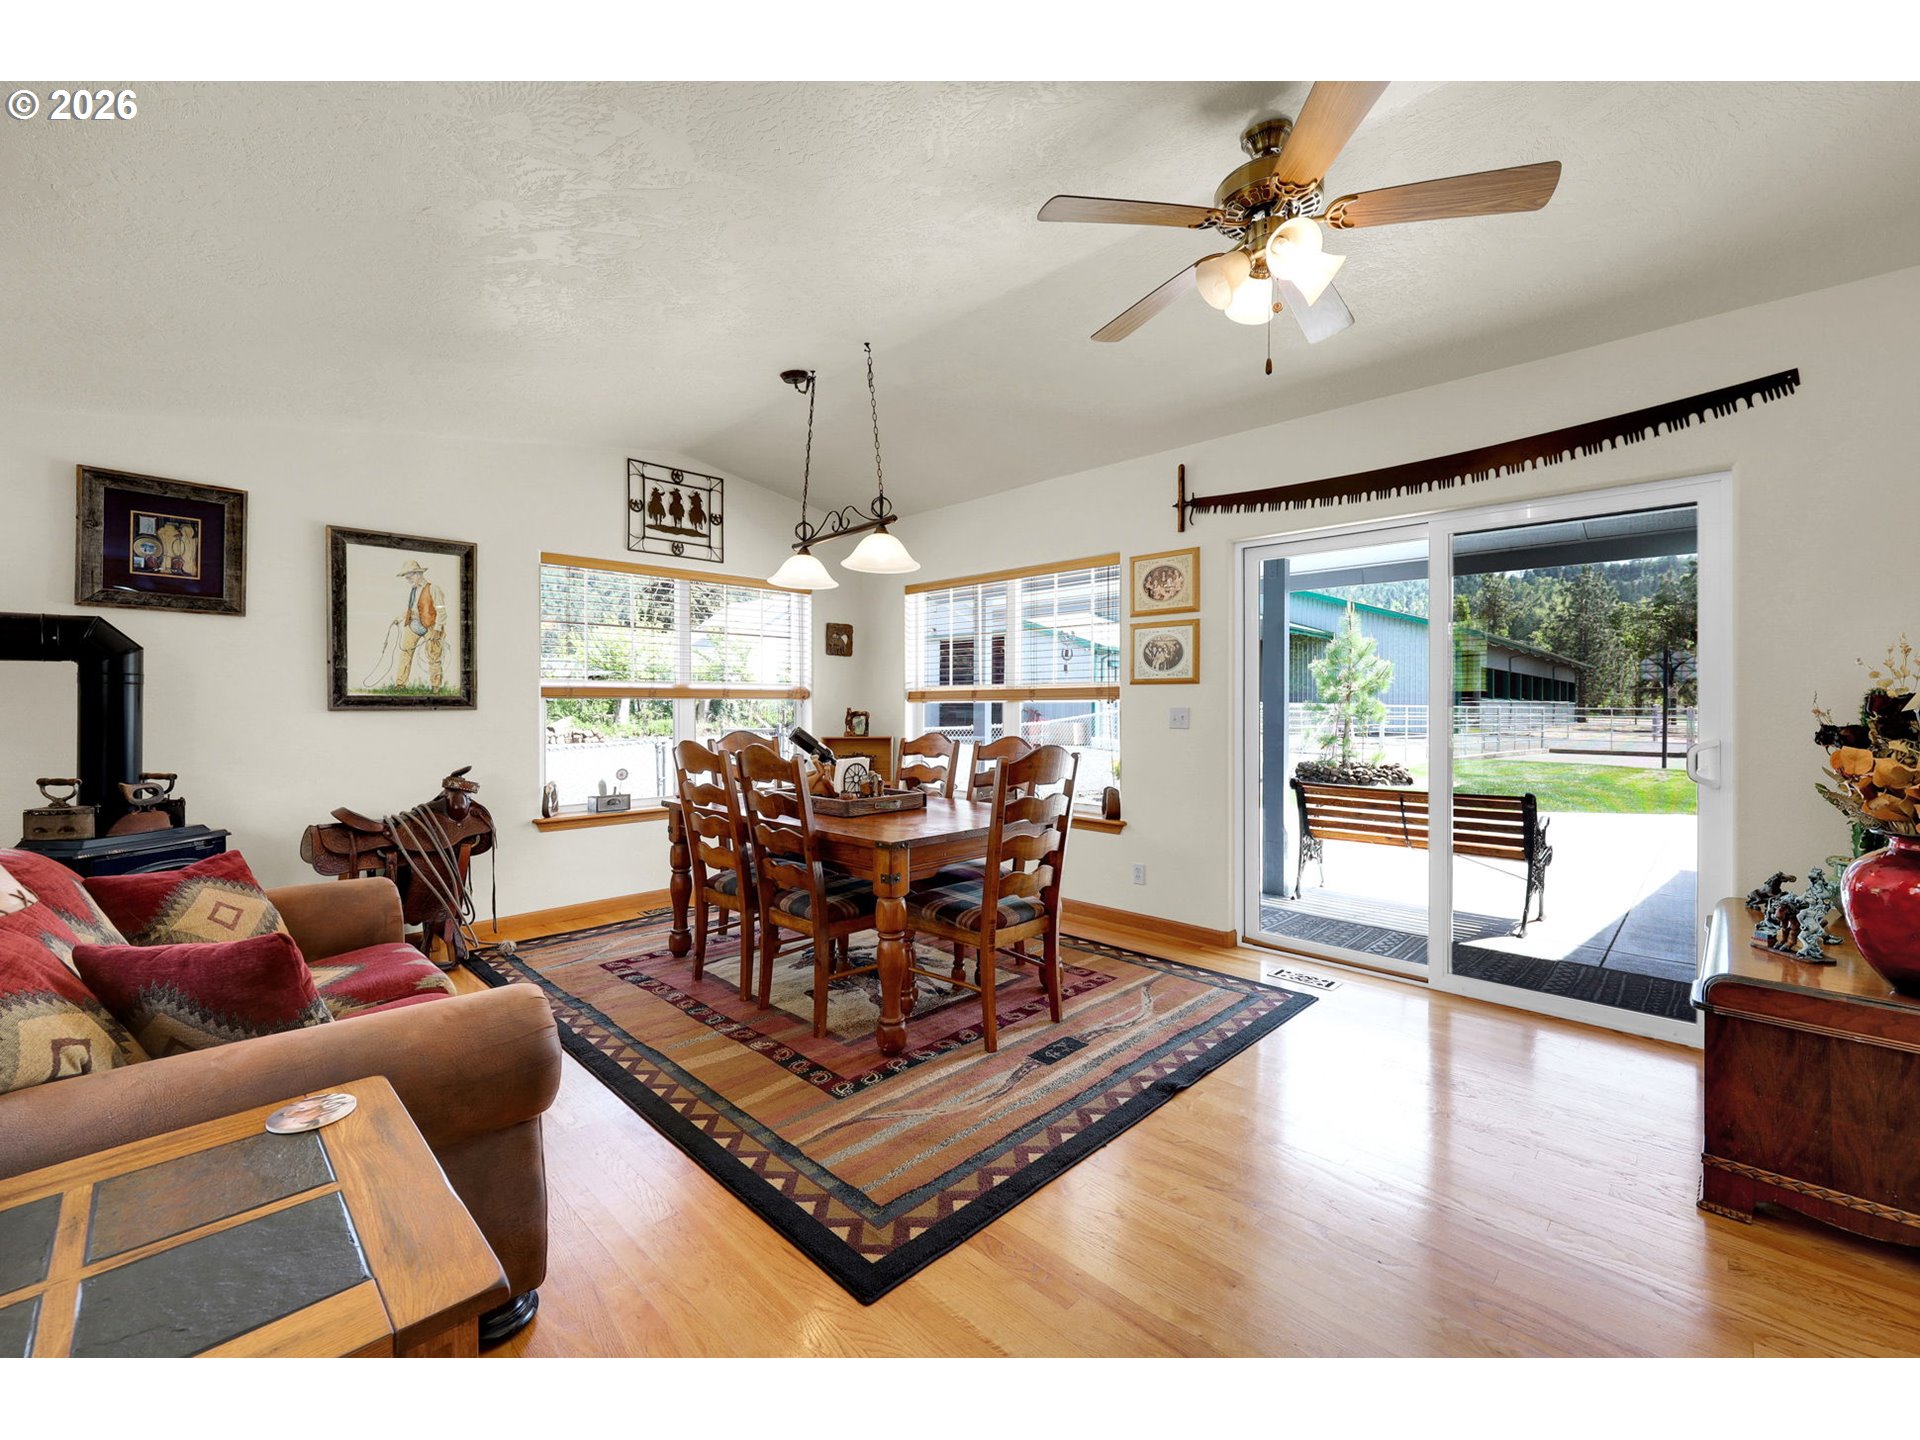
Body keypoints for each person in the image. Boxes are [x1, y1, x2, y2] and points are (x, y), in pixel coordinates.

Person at [393, 558, 446, 690]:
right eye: (407, 577)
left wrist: (438, 628)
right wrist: (399, 618)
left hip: (431, 626)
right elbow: (412, 609)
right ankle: (400, 684)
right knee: (405, 653)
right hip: (413, 625)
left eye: (409, 577)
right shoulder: (413, 590)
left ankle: (435, 686)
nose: (408, 580)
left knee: (434, 655)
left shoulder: (434, 589)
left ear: (418, 574)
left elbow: (441, 611)